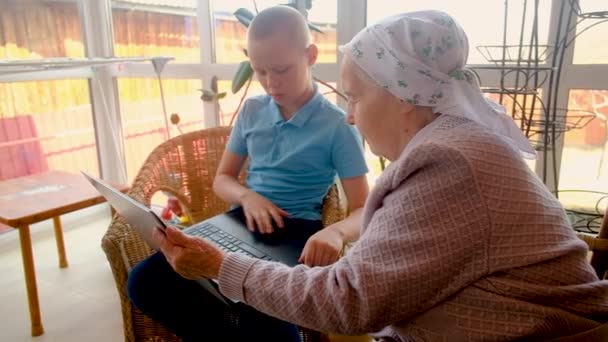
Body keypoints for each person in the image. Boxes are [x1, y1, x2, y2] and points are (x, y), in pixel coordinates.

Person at [150, 10, 608, 341]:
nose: (349, 116)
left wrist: (220, 265)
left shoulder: (447, 162)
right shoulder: (454, 144)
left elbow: (349, 301)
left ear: (404, 94)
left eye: (355, 98)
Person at [127, 5, 369, 342]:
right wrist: (248, 197)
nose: (271, 83)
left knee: (270, 323)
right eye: (260, 71)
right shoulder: (253, 110)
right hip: (240, 220)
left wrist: (337, 234)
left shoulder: (337, 126)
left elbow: (363, 208)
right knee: (144, 282)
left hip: (294, 232)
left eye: (282, 69)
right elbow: (223, 179)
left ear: (310, 55)